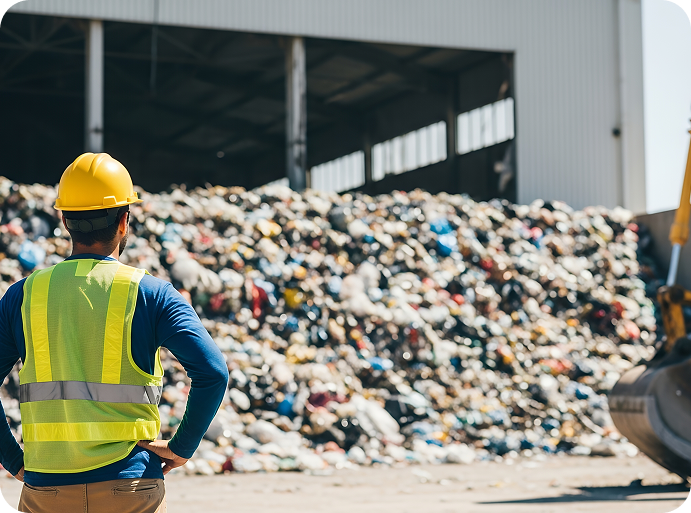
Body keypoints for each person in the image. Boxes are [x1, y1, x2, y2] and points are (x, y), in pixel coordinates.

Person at [0, 153, 229, 513]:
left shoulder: (23, 295)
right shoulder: (152, 293)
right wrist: (182, 447)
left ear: (64, 219)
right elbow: (213, 372)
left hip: (47, 491)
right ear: (124, 221)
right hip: (131, 486)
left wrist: (13, 459)